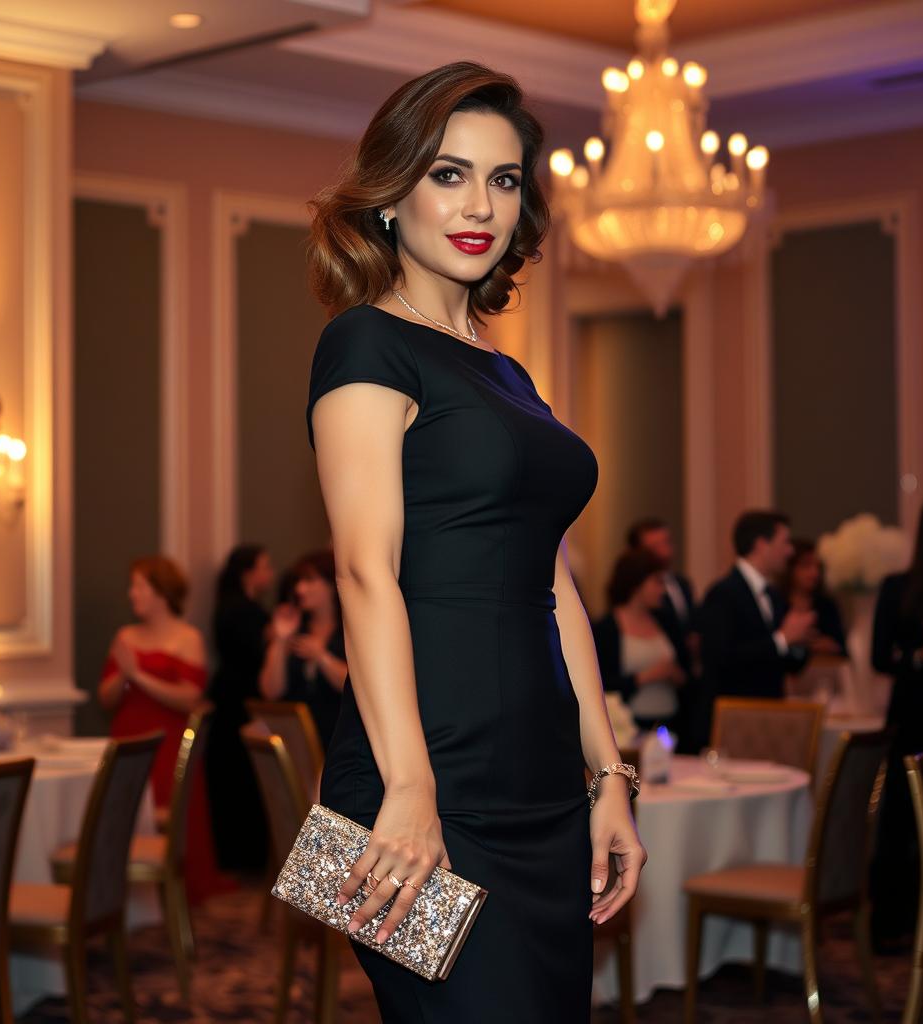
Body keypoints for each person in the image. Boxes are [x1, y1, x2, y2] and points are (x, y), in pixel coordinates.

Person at [304, 61, 645, 1020]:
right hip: (419, 782)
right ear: (391, 194)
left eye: (502, 179)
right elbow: (365, 573)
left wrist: (607, 777)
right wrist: (409, 788)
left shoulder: (510, 376)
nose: (481, 203)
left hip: (541, 787)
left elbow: (558, 592)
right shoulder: (364, 342)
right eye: (449, 173)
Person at [98, 556, 229, 904]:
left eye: (139, 586)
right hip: (127, 737)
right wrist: (123, 674)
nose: (132, 593)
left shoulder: (188, 638)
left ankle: (170, 892)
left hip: (170, 745)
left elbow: (190, 698)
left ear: (160, 591)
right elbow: (106, 697)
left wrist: (138, 674)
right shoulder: (125, 636)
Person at [697, 511, 814, 745]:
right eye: (784, 542)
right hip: (735, 722)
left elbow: (791, 665)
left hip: (768, 716)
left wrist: (799, 642)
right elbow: (721, 658)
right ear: (761, 545)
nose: (790, 551)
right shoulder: (722, 594)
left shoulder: (773, 595)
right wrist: (782, 639)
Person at [869, 498, 923, 948]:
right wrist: (918, 657)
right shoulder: (898, 588)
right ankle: (892, 920)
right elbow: (878, 657)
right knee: (901, 816)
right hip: (912, 710)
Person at [206, 544, 275, 873]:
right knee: (241, 779)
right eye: (265, 566)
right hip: (239, 702)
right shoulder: (240, 610)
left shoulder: (237, 606)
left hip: (233, 699)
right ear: (248, 572)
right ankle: (243, 861)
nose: (270, 573)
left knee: (240, 779)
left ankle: (243, 859)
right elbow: (253, 655)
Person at [258, 548, 347, 750]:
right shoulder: (296, 629)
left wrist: (321, 657)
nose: (300, 589)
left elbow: (355, 687)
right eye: (299, 582)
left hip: (338, 740)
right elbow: (270, 691)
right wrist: (280, 639)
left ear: (331, 585)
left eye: (309, 580)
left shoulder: (349, 633)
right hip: (296, 742)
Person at [627, 517, 701, 748]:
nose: (664, 552)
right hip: (633, 720)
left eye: (666, 543)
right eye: (654, 546)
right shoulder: (613, 623)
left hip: (675, 712)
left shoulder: (681, 585)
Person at [593, 550, 686, 733]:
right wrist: (646, 676)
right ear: (637, 584)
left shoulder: (666, 621)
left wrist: (676, 674)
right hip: (629, 726)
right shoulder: (606, 628)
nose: (663, 590)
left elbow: (687, 672)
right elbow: (601, 684)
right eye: (657, 582)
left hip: (672, 723)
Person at [783, 539, 848, 657]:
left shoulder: (826, 605)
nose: (814, 573)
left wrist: (831, 646)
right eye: (806, 565)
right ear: (790, 568)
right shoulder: (776, 603)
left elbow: (843, 647)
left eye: (818, 567)